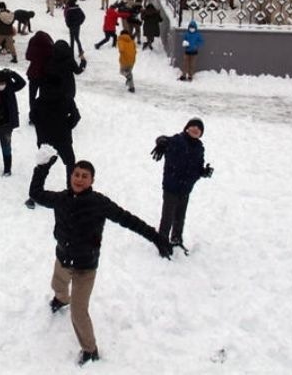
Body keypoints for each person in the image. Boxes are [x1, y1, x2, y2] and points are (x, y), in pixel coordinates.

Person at [29, 153, 173, 366]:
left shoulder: (99, 203)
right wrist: (41, 169)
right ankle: (61, 298)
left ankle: (90, 350)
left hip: (85, 267)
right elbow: (36, 193)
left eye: (84, 176)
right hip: (62, 257)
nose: (79, 179)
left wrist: (156, 237)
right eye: (76, 174)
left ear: (92, 181)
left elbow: (128, 219)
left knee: (78, 313)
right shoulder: (61, 199)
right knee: (58, 284)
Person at [150, 118, 213, 252]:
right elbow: (162, 138)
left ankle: (176, 240)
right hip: (171, 187)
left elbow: (198, 167)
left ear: (201, 133)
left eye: (199, 128)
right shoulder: (177, 140)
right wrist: (160, 143)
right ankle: (162, 241)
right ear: (187, 128)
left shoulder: (200, 148)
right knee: (167, 216)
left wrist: (204, 172)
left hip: (185, 189)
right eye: (193, 126)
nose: (195, 129)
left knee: (180, 216)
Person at [24, 74, 81, 209]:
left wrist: (42, 128)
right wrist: (67, 126)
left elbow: (33, 116)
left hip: (45, 139)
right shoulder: (67, 99)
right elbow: (76, 117)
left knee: (43, 166)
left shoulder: (39, 101)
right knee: (70, 164)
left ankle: (34, 195)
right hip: (63, 138)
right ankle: (72, 193)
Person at [25, 30, 54, 114]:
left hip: (33, 73)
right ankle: (42, 113)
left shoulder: (33, 42)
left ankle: (33, 113)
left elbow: (28, 57)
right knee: (43, 96)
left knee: (32, 96)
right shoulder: (49, 45)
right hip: (45, 74)